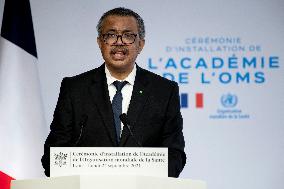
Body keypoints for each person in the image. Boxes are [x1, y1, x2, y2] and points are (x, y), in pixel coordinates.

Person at [41, 7, 186, 177]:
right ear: (99, 42)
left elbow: (175, 155)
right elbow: (53, 156)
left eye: (128, 35)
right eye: (110, 35)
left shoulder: (164, 91)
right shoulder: (75, 88)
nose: (119, 42)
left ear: (141, 44)